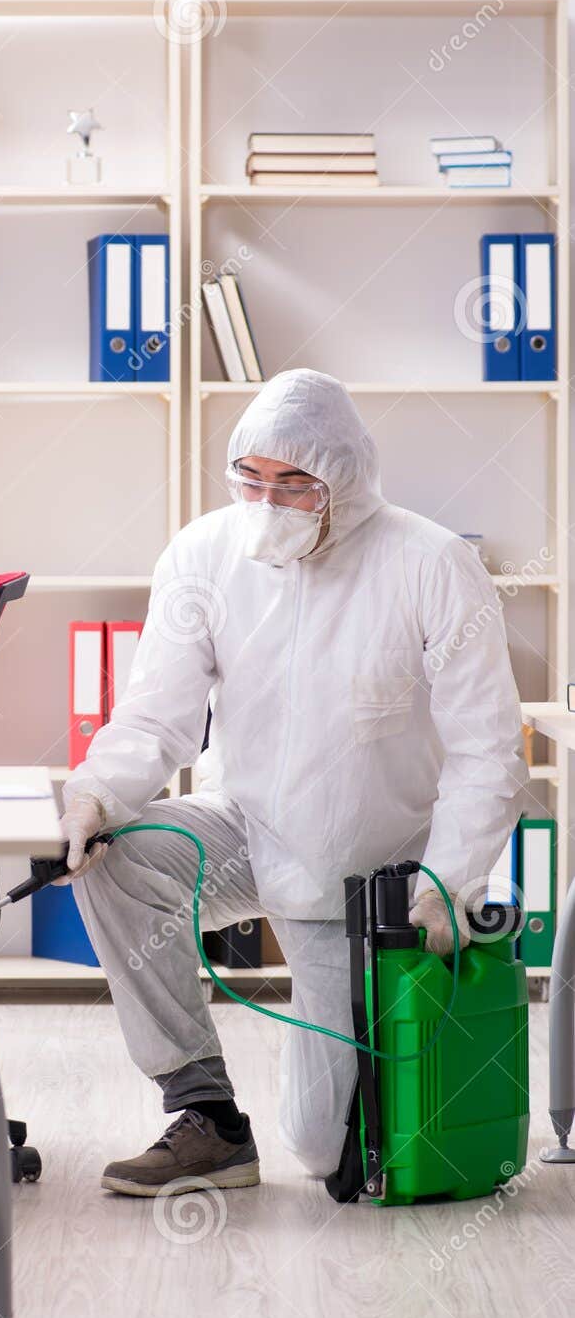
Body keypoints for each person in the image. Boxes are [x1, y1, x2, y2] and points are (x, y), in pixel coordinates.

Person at [60, 368, 527, 1197]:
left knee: (322, 1150)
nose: (269, 502)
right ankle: (206, 1115)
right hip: (246, 831)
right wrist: (98, 791)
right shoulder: (204, 553)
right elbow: (158, 713)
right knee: (121, 858)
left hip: (371, 880)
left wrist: (448, 882)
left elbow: (487, 750)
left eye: (295, 485)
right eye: (252, 479)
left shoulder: (430, 562)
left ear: (344, 481)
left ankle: (339, 1104)